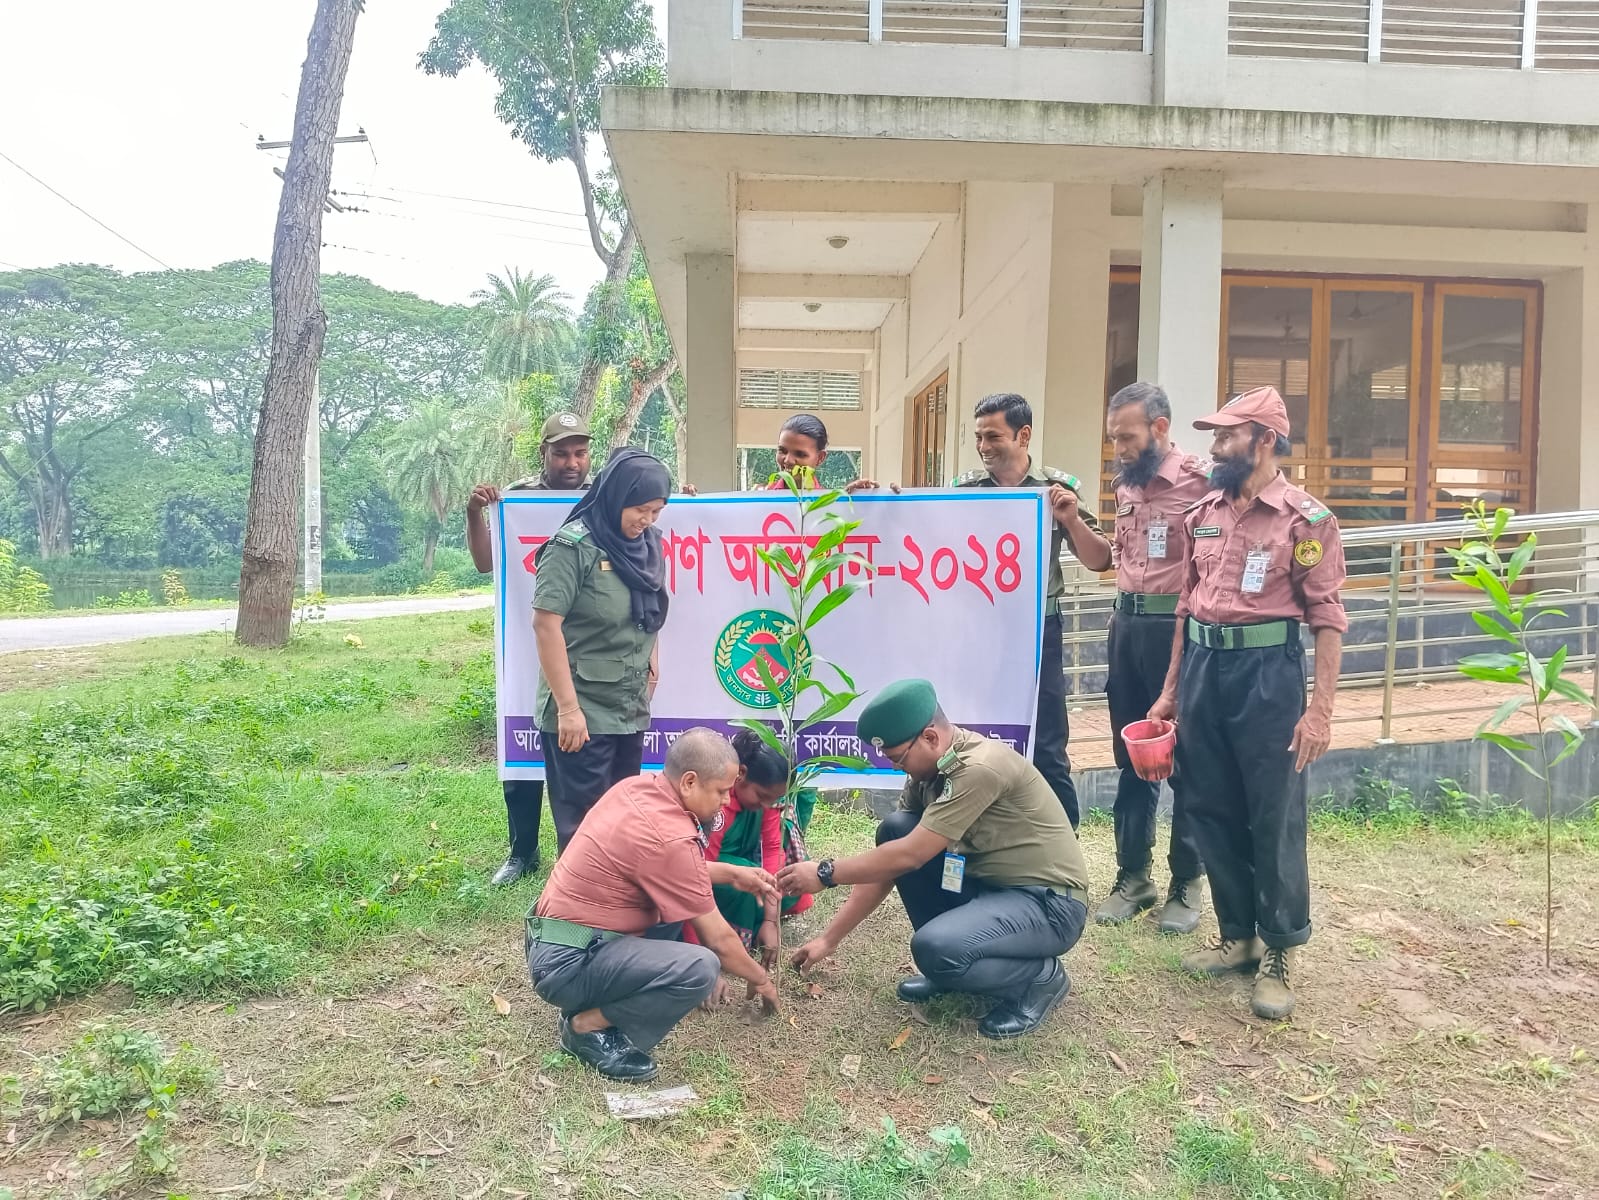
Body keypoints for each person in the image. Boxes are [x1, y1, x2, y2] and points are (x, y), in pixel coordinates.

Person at [1149, 385, 1347, 1021]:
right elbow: (1185, 605)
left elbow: (1327, 618)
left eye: (1227, 435)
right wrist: (1172, 690)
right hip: (1204, 668)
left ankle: (1279, 950)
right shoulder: (1203, 512)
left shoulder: (1306, 520)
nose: (1214, 446)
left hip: (1268, 675)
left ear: (1264, 440)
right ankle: (1239, 936)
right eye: (1214, 434)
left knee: (1273, 813)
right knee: (1208, 804)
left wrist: (1319, 710)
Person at [782, 679, 1090, 1041]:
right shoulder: (930, 772)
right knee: (896, 829)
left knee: (933, 948)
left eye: (898, 758)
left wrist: (825, 873)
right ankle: (950, 968)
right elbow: (893, 859)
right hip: (992, 891)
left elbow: (911, 855)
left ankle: (1039, 978)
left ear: (930, 737)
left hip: (1048, 905)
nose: (897, 768)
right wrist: (828, 939)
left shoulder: (978, 768)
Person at [525, 729, 782, 1082]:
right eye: (721, 791)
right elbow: (719, 941)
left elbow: (668, 868)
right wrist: (761, 978)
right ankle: (586, 1026)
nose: (726, 800)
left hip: (552, 941)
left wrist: (732, 874)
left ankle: (590, 998)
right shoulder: (670, 836)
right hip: (568, 963)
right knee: (700, 967)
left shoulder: (636, 790)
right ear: (689, 782)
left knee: (671, 916)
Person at [950, 393, 1113, 828]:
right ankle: (983, 835)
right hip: (981, 631)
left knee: (1047, 741)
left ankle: (1063, 845)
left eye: (993, 437)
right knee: (975, 734)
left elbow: (1100, 560)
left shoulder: (1056, 489)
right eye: (979, 437)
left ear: (1023, 436)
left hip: (1040, 630)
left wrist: (1070, 519)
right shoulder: (964, 491)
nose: (984, 447)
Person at [1095, 382, 1212, 933]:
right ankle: (1133, 876)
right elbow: (1118, 554)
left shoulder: (1202, 482)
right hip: (1127, 627)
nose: (1119, 447)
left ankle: (1186, 881)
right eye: (1113, 437)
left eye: (1127, 437)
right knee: (1131, 758)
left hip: (1177, 630)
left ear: (1160, 428)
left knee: (1186, 759)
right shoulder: (1126, 484)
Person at [465, 412, 592, 885]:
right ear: (544, 453)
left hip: (590, 644)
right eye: (561, 453)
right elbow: (485, 563)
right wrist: (475, 512)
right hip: (528, 641)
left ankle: (583, 853)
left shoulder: (602, 495)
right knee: (521, 747)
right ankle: (522, 852)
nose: (572, 463)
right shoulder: (517, 498)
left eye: (580, 453)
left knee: (581, 750)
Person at [534, 447, 672, 853]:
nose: (647, 520)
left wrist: (653, 663)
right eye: (640, 509)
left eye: (656, 511)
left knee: (624, 819)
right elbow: (545, 625)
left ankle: (616, 895)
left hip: (628, 704)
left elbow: (650, 609)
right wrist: (568, 709)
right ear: (616, 496)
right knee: (583, 827)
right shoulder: (572, 547)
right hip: (583, 707)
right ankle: (577, 896)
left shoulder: (649, 544)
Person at [684, 729, 816, 962]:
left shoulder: (767, 801)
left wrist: (770, 920)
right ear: (741, 774)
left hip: (743, 862)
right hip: (707, 870)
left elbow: (772, 849)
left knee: (789, 874)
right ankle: (724, 935)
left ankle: (760, 921)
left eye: (773, 800)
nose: (767, 805)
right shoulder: (717, 803)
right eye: (762, 796)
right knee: (746, 884)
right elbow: (697, 873)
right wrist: (695, 951)